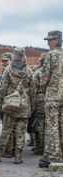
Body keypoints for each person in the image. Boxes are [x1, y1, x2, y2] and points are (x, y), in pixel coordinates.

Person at [0, 47, 35, 164]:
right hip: (24, 105)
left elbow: (3, 88)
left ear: (13, 56)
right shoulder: (28, 71)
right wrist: (32, 105)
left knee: (6, 130)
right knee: (20, 132)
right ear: (23, 56)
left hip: (11, 104)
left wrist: (1, 101)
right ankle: (18, 157)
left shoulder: (8, 70)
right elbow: (32, 89)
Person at [39, 31, 63, 168]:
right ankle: (51, 154)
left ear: (57, 40)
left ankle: (54, 157)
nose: (48, 43)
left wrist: (42, 87)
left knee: (52, 126)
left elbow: (44, 76)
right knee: (61, 125)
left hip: (53, 95)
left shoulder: (51, 55)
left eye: (50, 40)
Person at [33, 53, 46, 157]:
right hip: (53, 99)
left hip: (40, 99)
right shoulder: (54, 72)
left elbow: (34, 88)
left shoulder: (38, 72)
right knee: (51, 125)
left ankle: (40, 148)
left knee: (40, 124)